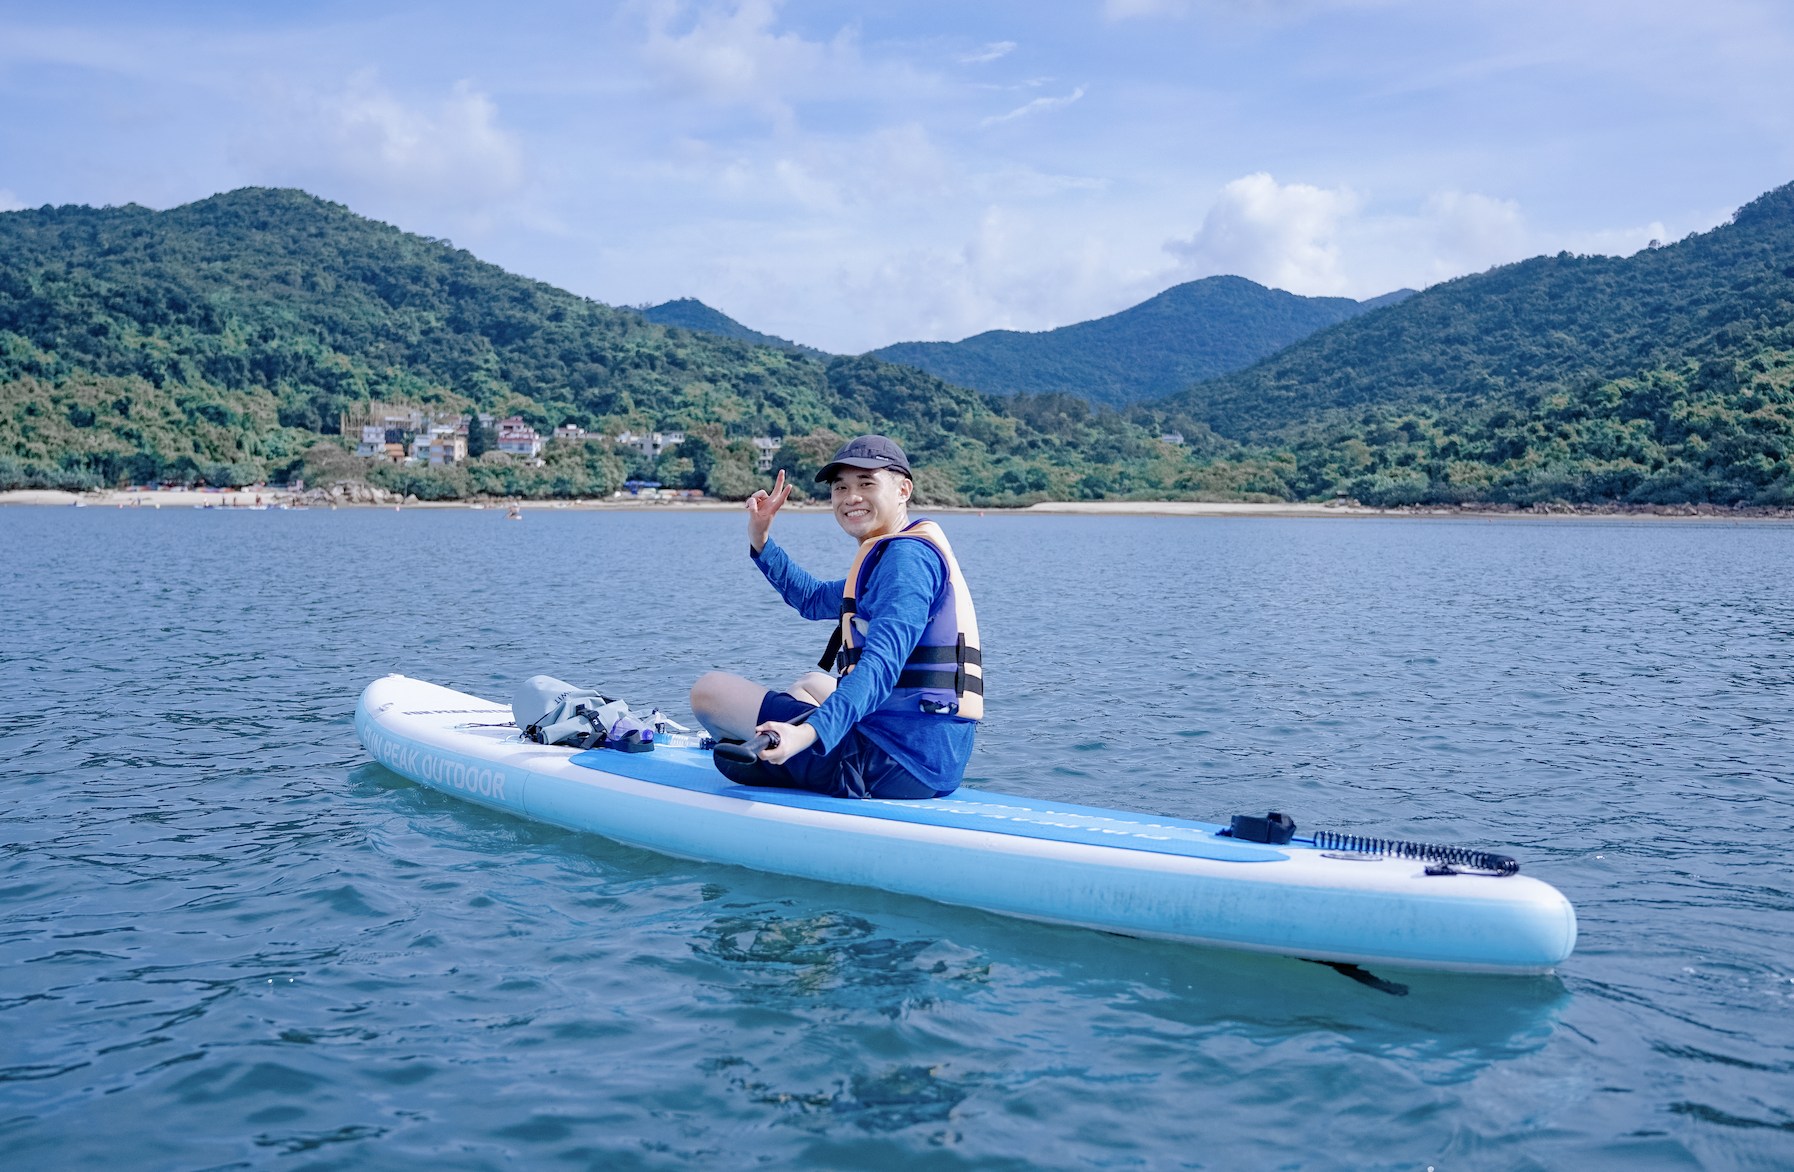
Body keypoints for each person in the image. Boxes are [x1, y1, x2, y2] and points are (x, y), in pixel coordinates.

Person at [689, 435, 983, 800]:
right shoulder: (894, 555)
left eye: (866, 484)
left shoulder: (905, 563)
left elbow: (879, 668)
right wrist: (761, 538)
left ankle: (804, 748)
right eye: (841, 487)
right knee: (809, 684)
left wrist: (807, 733)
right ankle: (801, 740)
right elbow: (812, 599)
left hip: (894, 762)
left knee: (709, 692)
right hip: (932, 754)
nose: (851, 497)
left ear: (903, 489)